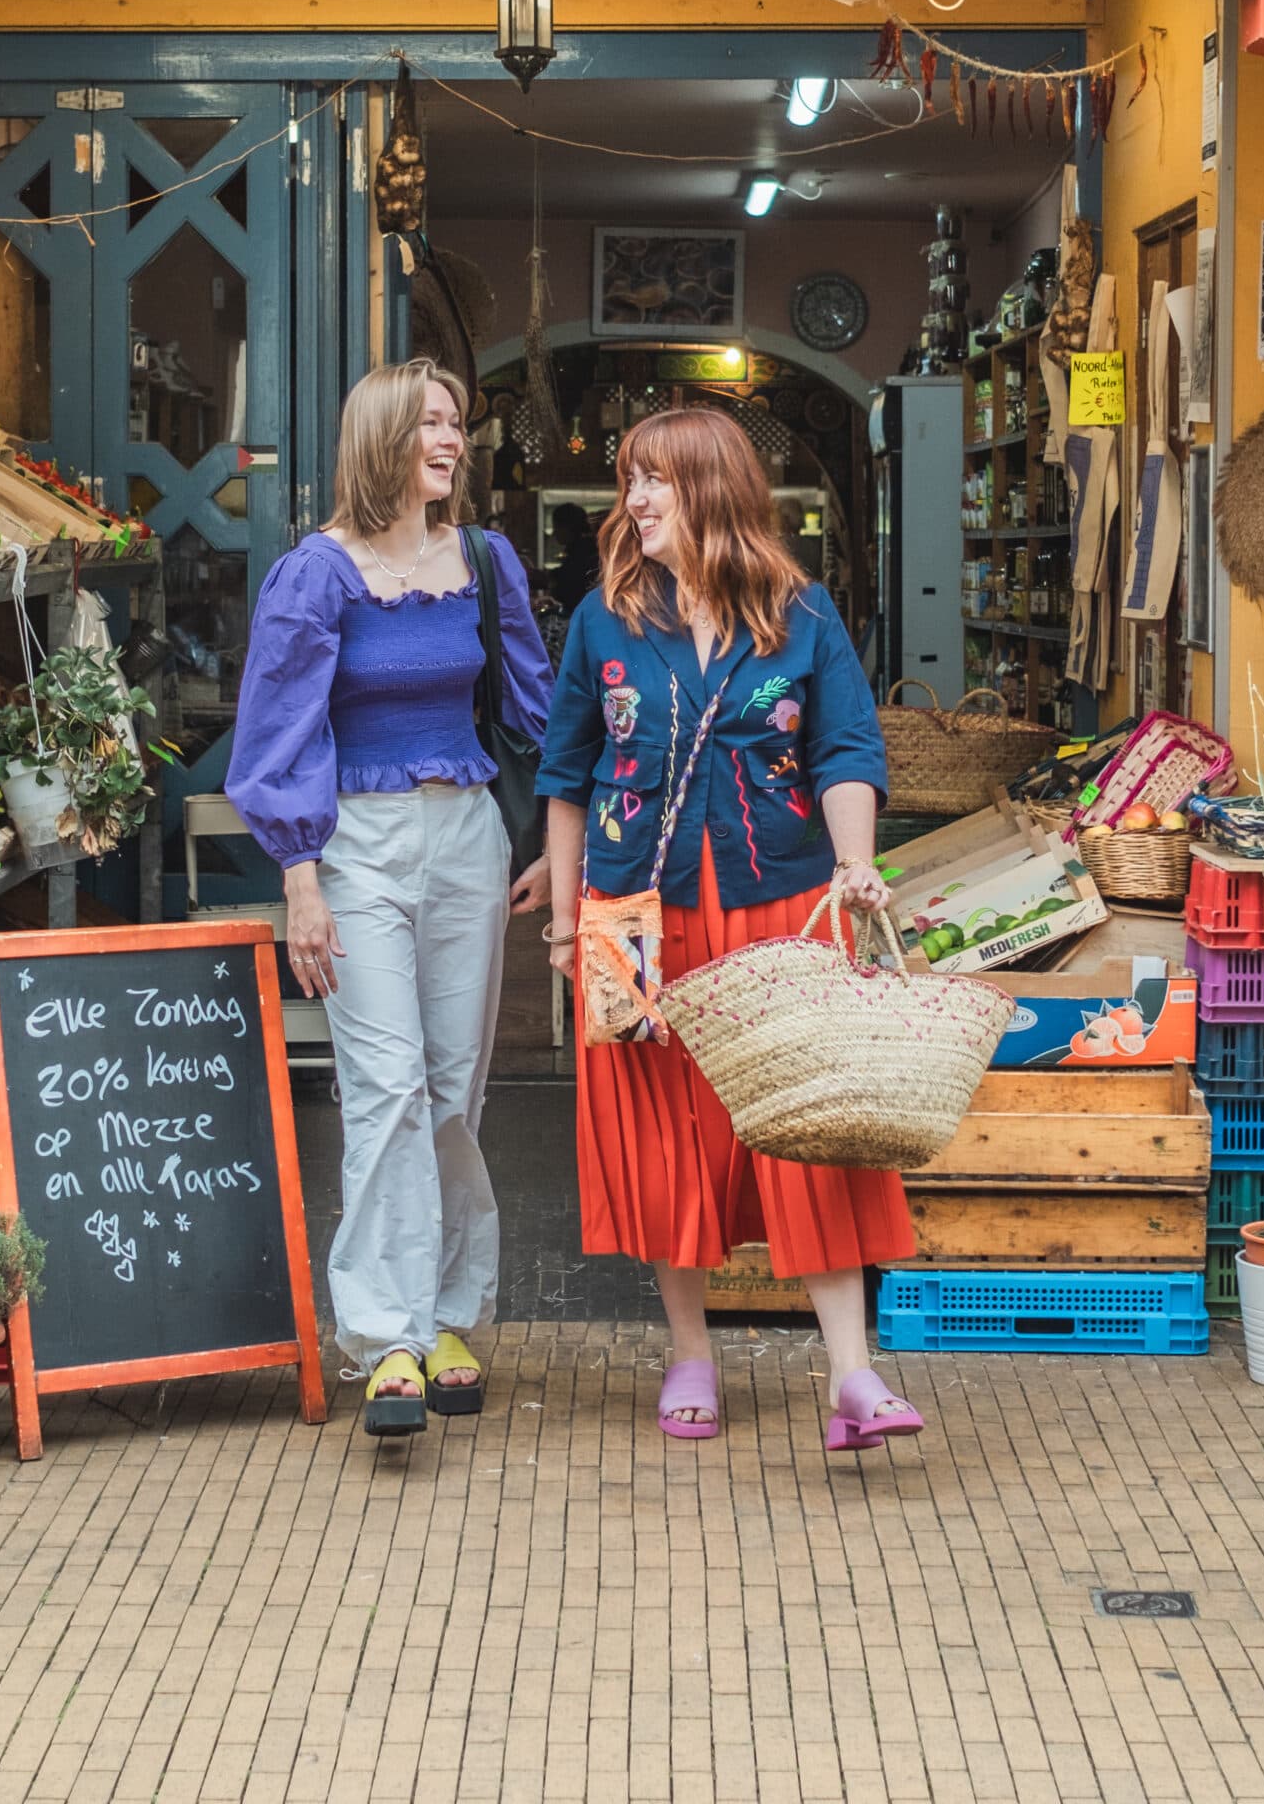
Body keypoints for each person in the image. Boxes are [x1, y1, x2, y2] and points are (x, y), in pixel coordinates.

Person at [536, 406, 924, 1453]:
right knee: (665, 1128)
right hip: (628, 915)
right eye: (630, 479)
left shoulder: (802, 613)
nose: (634, 499)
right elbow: (564, 776)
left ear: (711, 488)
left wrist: (854, 864)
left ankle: (852, 1372)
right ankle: (690, 1354)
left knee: (808, 1122)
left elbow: (846, 749)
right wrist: (567, 929)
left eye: (654, 478)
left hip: (780, 904)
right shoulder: (604, 620)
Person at [227, 359, 552, 1435]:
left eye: (455, 423)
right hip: (354, 846)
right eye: (429, 425)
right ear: (381, 440)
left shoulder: (485, 563)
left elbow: (537, 709)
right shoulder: (317, 574)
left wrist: (560, 842)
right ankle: (384, 1338)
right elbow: (277, 738)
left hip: (466, 836)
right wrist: (300, 881)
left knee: (454, 1089)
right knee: (385, 1087)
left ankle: (449, 1315)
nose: (450, 440)